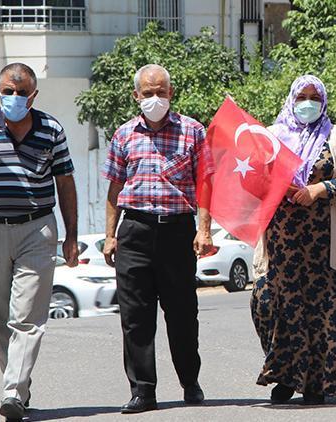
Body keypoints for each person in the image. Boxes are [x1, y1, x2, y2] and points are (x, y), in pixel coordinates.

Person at [102, 64, 212, 414]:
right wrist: (109, 235)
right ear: (136, 96)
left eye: (160, 92)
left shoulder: (193, 131)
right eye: (147, 93)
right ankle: (143, 391)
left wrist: (204, 229)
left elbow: (206, 183)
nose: (154, 99)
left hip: (177, 230)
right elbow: (114, 187)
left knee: (182, 313)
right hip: (134, 230)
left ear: (171, 93)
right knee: (135, 316)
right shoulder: (123, 135)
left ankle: (190, 382)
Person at [250, 75, 336, 405]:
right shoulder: (272, 137)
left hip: (325, 245)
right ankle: (285, 377)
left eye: (315, 96)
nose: (308, 102)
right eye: (303, 95)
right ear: (291, 98)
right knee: (273, 307)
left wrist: (319, 189)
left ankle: (317, 383)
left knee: (325, 316)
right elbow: (255, 179)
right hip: (281, 246)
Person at [0, 62, 78, 420]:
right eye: (7, 91)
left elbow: (66, 183)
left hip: (37, 229)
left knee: (27, 317)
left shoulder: (51, 130)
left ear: (33, 96)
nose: (14, 98)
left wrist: (72, 235)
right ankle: (21, 387)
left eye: (21, 92)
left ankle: (12, 392)